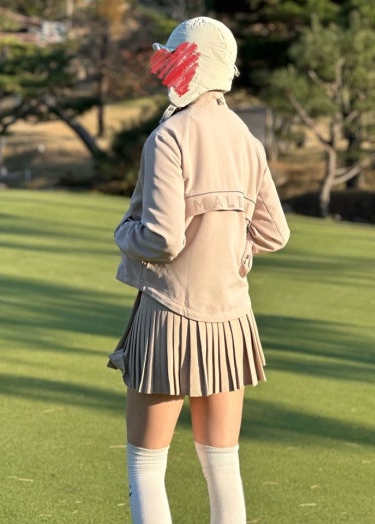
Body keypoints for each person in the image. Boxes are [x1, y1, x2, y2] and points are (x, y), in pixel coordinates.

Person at [108, 16, 290, 524]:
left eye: (173, 58)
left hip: (168, 313)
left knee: (146, 466)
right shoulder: (246, 140)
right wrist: (237, 249)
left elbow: (162, 239)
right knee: (222, 465)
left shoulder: (169, 136)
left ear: (192, 64)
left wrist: (123, 233)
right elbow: (275, 233)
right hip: (231, 318)